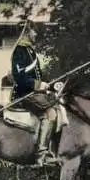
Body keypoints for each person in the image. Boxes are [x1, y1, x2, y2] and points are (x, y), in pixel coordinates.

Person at [10, 21, 58, 166]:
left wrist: (52, 85)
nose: (36, 34)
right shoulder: (19, 51)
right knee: (50, 114)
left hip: (33, 93)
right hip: (24, 94)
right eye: (34, 31)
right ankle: (42, 155)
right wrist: (39, 85)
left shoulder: (30, 51)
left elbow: (39, 75)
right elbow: (19, 78)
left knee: (58, 101)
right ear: (27, 32)